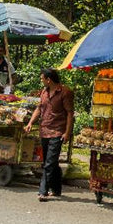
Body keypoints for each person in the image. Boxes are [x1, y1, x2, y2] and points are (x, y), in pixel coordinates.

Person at [24, 68, 74, 202]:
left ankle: (43, 191)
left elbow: (70, 113)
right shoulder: (44, 92)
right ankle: (56, 189)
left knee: (49, 163)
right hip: (44, 130)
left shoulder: (65, 92)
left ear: (48, 79)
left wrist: (67, 133)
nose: (41, 81)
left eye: (42, 79)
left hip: (58, 131)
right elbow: (39, 108)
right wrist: (30, 123)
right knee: (51, 162)